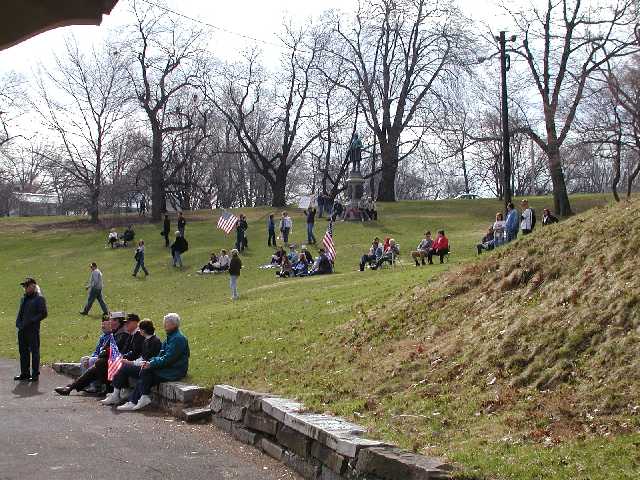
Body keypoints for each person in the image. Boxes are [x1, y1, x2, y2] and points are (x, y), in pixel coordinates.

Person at [116, 313, 190, 411]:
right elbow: (160, 355)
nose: (164, 325)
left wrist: (151, 364)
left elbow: (169, 358)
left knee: (146, 371)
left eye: (167, 323)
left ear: (174, 324)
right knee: (145, 370)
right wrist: (149, 362)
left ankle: (138, 399)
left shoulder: (178, 339)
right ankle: (138, 399)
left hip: (174, 370)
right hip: (167, 367)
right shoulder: (170, 337)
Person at [54, 312, 133, 396]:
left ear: (118, 321)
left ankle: (72, 388)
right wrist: (103, 353)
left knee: (99, 364)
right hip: (110, 361)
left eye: (113, 320)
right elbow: (105, 348)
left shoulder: (124, 334)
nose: (110, 322)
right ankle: (71, 388)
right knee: (97, 366)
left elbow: (114, 350)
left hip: (120, 362)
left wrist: (103, 353)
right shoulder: (115, 333)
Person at [101, 318, 162, 406]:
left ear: (144, 330)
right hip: (143, 365)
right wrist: (130, 361)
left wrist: (131, 363)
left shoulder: (155, 341)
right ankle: (116, 394)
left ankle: (120, 396)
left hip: (147, 368)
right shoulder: (146, 340)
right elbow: (142, 357)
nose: (139, 331)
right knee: (121, 365)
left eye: (140, 329)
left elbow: (147, 360)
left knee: (123, 366)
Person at [14, 278, 47, 382]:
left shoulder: (39, 299)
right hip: (22, 329)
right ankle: (25, 373)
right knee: (23, 352)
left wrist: (33, 321)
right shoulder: (24, 298)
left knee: (35, 352)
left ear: (33, 286)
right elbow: (21, 312)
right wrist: (18, 323)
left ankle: (35, 374)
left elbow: (43, 313)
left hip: (32, 330)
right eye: (24, 286)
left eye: (27, 286)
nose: (25, 288)